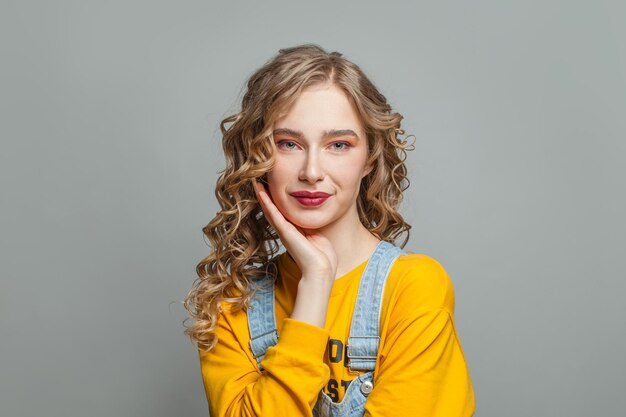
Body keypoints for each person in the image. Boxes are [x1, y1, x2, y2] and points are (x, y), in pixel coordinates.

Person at [184, 44, 475, 417]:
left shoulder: (413, 288)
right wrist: (316, 282)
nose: (311, 171)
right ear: (259, 158)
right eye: (288, 144)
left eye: (338, 145)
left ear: (369, 158)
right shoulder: (231, 306)